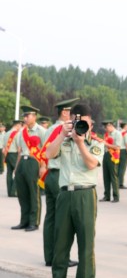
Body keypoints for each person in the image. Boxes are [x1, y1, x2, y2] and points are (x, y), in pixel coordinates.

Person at [37, 102, 103, 278]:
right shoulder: (64, 140)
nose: (79, 125)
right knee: (60, 245)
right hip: (64, 195)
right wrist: (62, 134)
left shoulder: (96, 143)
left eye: (83, 122)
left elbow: (92, 163)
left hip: (85, 195)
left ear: (90, 123)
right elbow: (48, 154)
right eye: (75, 121)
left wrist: (80, 142)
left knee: (85, 246)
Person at [40, 97, 79, 267]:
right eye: (72, 112)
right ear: (65, 112)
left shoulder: (50, 130)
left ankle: (49, 256)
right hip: (60, 177)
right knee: (63, 219)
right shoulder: (63, 130)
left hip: (50, 175)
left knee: (51, 217)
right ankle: (60, 257)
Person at [12, 105, 46, 231]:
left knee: (33, 193)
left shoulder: (41, 131)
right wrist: (16, 167)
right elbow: (20, 152)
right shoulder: (22, 132)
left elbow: (45, 150)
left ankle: (34, 222)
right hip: (23, 163)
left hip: (34, 162)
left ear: (34, 116)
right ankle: (24, 220)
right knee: (22, 193)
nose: (25, 118)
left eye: (27, 116)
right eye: (24, 116)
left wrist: (43, 166)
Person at [99, 120, 122, 203]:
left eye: (106, 127)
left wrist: (106, 144)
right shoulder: (107, 134)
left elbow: (117, 147)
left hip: (113, 156)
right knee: (106, 176)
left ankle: (116, 196)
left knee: (113, 176)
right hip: (106, 155)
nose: (106, 129)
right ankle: (107, 195)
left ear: (110, 125)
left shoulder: (117, 134)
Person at [3, 120, 22, 197]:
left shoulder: (7, 133)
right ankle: (14, 191)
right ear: (17, 125)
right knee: (18, 172)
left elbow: (4, 145)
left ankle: (9, 191)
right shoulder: (17, 134)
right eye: (20, 126)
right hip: (14, 154)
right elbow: (18, 147)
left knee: (9, 173)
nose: (20, 127)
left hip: (7, 154)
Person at [118, 122, 127, 189]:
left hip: (118, 150)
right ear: (124, 126)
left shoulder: (119, 133)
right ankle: (120, 183)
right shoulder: (125, 133)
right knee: (122, 168)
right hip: (123, 151)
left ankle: (117, 182)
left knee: (118, 167)